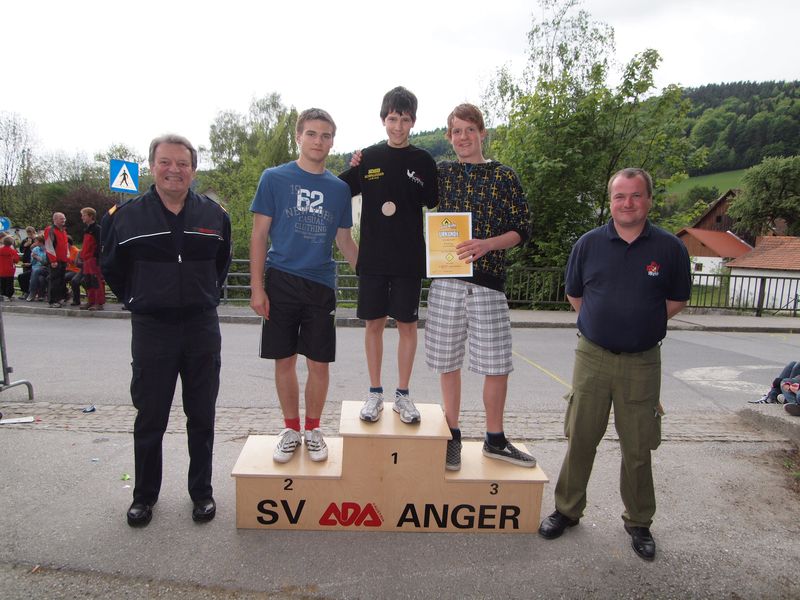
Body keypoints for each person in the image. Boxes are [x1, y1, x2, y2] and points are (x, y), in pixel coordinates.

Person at [538, 167, 692, 562]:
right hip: (592, 357)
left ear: (649, 200)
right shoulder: (588, 244)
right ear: (610, 202)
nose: (628, 203)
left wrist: (642, 324)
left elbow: (676, 300)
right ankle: (567, 510)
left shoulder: (670, 248)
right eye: (620, 196)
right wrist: (602, 324)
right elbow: (575, 295)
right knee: (581, 437)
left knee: (638, 446)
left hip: (642, 362)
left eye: (636, 195)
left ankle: (639, 522)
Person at [101, 134, 232, 527]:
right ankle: (144, 497)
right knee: (150, 417)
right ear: (151, 166)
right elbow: (112, 268)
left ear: (193, 169)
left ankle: (202, 493)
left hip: (201, 326)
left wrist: (202, 294)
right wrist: (139, 297)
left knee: (202, 415)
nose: (174, 170)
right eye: (165, 162)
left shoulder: (214, 215)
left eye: (183, 163)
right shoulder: (124, 217)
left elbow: (221, 264)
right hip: (152, 328)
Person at [424, 103, 534, 472]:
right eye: (456, 131)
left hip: (488, 284)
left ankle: (495, 439)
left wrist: (488, 244)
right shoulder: (441, 174)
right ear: (448, 136)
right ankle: (451, 436)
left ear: (482, 133)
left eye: (470, 129)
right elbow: (403, 184)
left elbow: (522, 229)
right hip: (446, 281)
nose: (463, 137)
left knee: (497, 365)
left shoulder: (504, 176)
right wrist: (364, 163)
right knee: (447, 362)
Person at [249, 108, 358, 464]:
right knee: (284, 360)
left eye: (326, 136)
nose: (318, 141)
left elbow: (345, 241)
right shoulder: (273, 178)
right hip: (280, 279)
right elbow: (259, 234)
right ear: (298, 137)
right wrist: (256, 287)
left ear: (332, 142)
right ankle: (291, 430)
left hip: (320, 284)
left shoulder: (339, 189)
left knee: (319, 364)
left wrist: (371, 277)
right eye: (311, 133)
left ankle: (313, 430)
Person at [339, 86, 438, 424]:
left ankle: (403, 396)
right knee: (374, 325)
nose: (398, 126)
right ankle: (374, 394)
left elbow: (437, 204)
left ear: (413, 122)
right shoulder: (367, 158)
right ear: (383, 119)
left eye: (405, 120)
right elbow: (338, 190)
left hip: (409, 259)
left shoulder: (423, 161)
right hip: (374, 260)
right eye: (393, 119)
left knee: (408, 326)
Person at [79, 207, 106, 311]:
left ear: (91, 216)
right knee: (88, 281)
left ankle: (99, 303)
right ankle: (91, 301)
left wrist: (96, 257)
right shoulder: (87, 229)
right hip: (87, 259)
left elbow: (100, 245)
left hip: (93, 259)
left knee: (96, 280)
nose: (82, 217)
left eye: (84, 215)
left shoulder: (97, 229)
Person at [44, 212, 69, 308]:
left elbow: (65, 246)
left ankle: (60, 298)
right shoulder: (50, 230)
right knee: (54, 280)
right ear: (55, 219)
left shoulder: (63, 231)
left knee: (61, 280)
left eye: (64, 218)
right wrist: (53, 260)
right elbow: (49, 245)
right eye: (61, 218)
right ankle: (53, 300)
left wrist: (67, 258)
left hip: (62, 259)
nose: (64, 220)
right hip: (55, 260)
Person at [17, 226, 37, 298]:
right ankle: (25, 292)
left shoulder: (37, 240)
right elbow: (21, 249)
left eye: (31, 233)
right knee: (24, 277)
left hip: (33, 262)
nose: (29, 235)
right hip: (26, 260)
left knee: (30, 277)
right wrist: (26, 245)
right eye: (28, 233)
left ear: (34, 232)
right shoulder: (25, 240)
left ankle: (31, 292)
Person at [27, 235, 47, 301]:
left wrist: (37, 257)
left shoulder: (47, 249)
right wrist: (34, 258)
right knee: (41, 278)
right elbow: (32, 263)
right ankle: (40, 295)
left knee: (36, 271)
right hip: (35, 267)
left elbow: (45, 262)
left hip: (44, 268)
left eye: (36, 241)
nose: (35, 243)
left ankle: (32, 293)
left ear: (41, 242)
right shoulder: (35, 249)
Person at [0, 236, 19, 300]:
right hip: (10, 270)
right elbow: (16, 260)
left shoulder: (0, 250)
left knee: (2, 283)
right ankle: (8, 296)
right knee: (9, 283)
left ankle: (2, 294)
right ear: (11, 243)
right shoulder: (13, 251)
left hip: (1, 269)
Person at [65, 236, 81, 306]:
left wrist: (67, 259)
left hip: (75, 270)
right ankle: (65, 293)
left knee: (65, 277)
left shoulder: (75, 250)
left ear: (68, 243)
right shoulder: (65, 250)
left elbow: (76, 263)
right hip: (67, 269)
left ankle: (73, 297)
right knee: (57, 276)